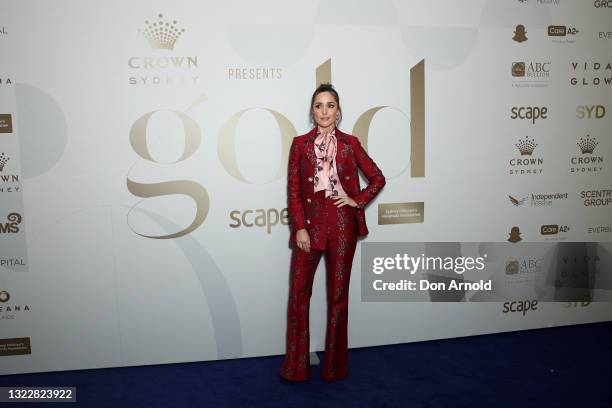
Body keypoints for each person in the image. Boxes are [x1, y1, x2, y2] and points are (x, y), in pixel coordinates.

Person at [280, 83, 386, 382]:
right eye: (318, 105)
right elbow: (293, 190)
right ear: (312, 111)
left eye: (330, 105)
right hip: (310, 227)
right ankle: (295, 367)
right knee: (299, 295)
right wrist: (300, 226)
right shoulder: (300, 144)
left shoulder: (351, 143)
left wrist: (357, 200)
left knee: (338, 297)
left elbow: (378, 178)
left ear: (338, 111)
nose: (324, 111)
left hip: (342, 225)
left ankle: (335, 367)